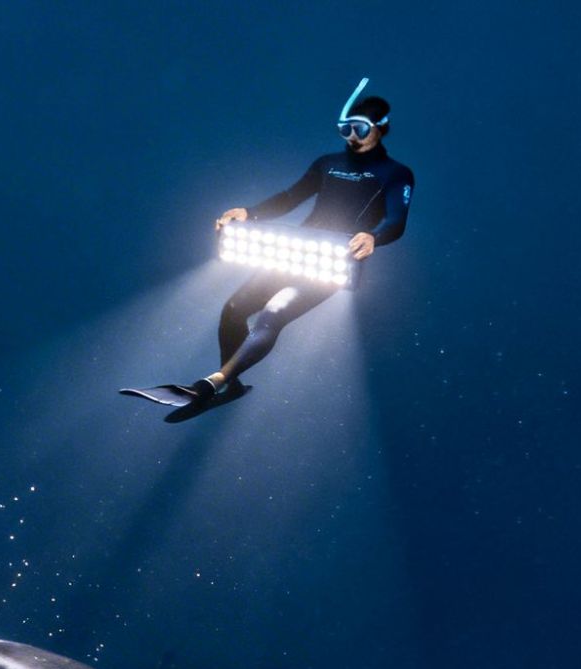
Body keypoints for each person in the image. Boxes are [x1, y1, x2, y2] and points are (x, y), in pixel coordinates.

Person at [125, 79, 414, 422]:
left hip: (331, 262)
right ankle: (229, 384)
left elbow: (396, 220)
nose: (352, 136)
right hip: (296, 250)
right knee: (233, 309)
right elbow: (291, 197)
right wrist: (250, 212)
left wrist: (373, 237)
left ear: (382, 128)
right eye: (345, 128)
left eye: (360, 128)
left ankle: (212, 382)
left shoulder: (396, 174)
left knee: (273, 314)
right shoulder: (327, 163)